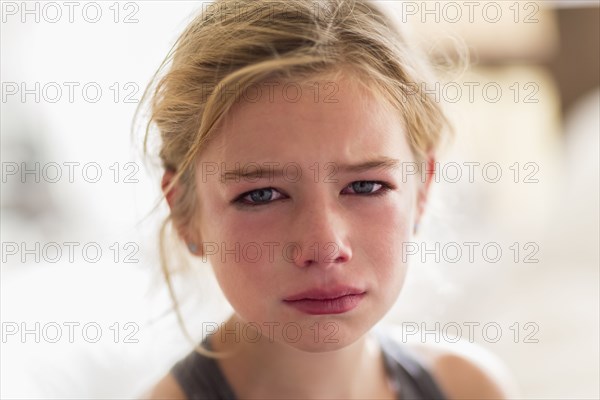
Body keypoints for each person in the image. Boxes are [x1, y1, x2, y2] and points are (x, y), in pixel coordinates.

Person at [140, 0, 516, 398]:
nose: (323, 246)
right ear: (185, 212)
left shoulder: (469, 388)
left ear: (421, 191)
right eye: (261, 195)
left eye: (366, 187)